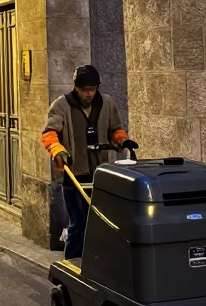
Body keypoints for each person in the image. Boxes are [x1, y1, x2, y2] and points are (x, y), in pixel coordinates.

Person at [41, 65, 137, 261]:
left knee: (103, 223)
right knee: (78, 224)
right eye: (85, 90)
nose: (89, 93)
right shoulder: (61, 106)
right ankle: (73, 266)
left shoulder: (107, 103)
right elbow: (50, 133)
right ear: (76, 88)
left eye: (93, 89)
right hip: (75, 175)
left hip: (101, 175)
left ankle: (99, 264)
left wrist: (122, 140)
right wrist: (57, 149)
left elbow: (116, 128)